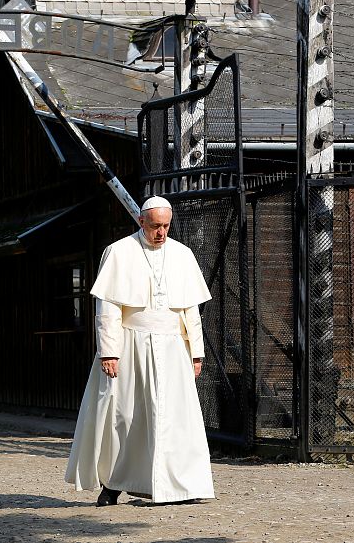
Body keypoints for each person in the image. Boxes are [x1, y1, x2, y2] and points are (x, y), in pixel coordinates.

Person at [65, 196, 214, 506]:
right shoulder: (119, 252)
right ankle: (113, 484)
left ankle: (179, 486)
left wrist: (196, 353)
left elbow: (190, 309)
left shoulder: (183, 255)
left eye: (166, 226)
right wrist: (109, 351)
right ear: (141, 222)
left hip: (173, 347)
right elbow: (108, 308)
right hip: (130, 344)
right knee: (124, 417)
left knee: (176, 418)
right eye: (155, 226)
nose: (161, 233)